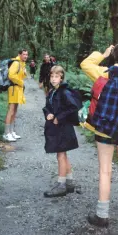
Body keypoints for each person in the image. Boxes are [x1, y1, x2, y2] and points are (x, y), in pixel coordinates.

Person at [80, 43, 118, 227]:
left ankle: (102, 216)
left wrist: (103, 53)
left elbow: (85, 64)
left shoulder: (103, 73)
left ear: (113, 56)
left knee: (105, 171)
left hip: (105, 126)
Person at [42, 65, 79, 198]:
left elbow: (73, 107)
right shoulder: (52, 91)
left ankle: (61, 184)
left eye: (56, 76)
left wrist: (59, 117)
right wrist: (48, 114)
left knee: (60, 155)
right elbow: (47, 107)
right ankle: (69, 182)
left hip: (63, 128)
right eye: (52, 76)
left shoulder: (64, 92)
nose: (53, 79)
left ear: (61, 77)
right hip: (56, 128)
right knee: (63, 154)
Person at [3, 49, 28, 142]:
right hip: (13, 88)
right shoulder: (16, 63)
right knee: (11, 110)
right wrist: (21, 82)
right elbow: (11, 75)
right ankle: (6, 133)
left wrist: (24, 74)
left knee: (15, 110)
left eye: (27, 54)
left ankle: (11, 131)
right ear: (19, 54)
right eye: (24, 54)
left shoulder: (22, 64)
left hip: (18, 89)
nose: (26, 56)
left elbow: (20, 75)